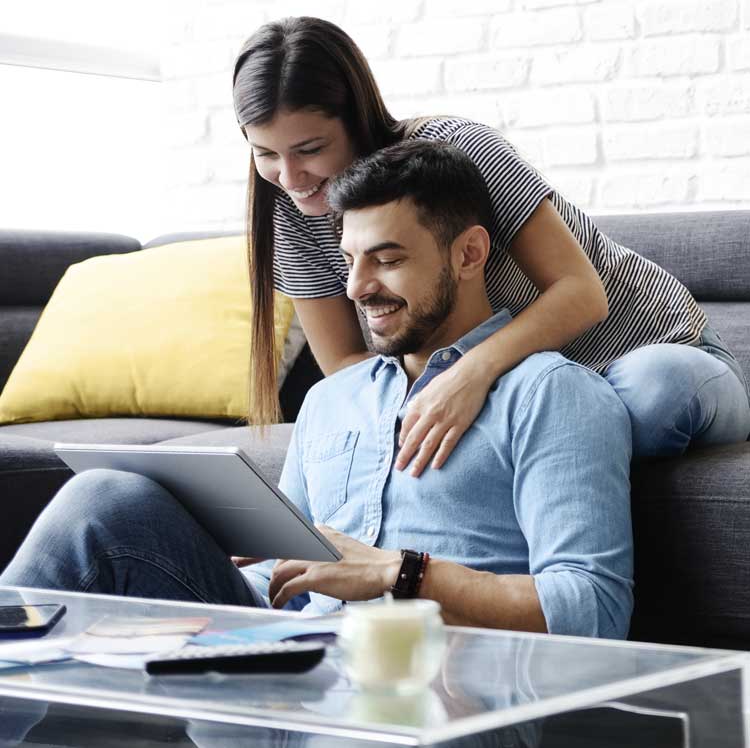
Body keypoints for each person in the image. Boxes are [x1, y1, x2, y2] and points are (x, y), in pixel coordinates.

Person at [0, 142, 634, 640]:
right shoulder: (335, 399)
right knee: (105, 497)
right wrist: (243, 556)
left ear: (469, 255)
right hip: (293, 655)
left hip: (426, 680)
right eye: (348, 259)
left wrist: (401, 573)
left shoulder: (553, 395)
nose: (357, 288)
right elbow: (291, 579)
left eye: (386, 259)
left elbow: (595, 608)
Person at [234, 16, 750, 470]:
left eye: (310, 149)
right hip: (524, 401)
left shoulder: (458, 150)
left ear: (357, 117)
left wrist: (469, 377)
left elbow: (581, 293)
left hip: (650, 356)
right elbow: (346, 367)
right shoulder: (291, 219)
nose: (291, 176)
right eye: (266, 154)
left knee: (649, 397)